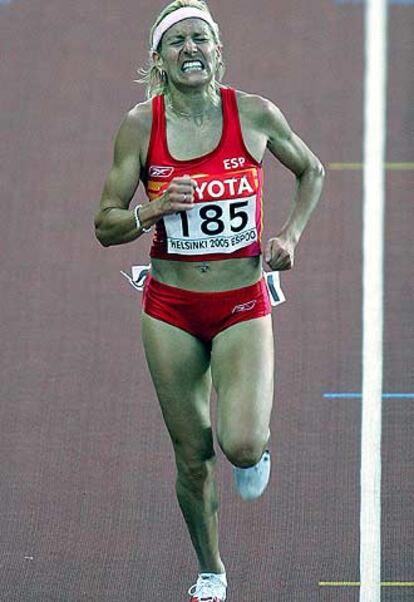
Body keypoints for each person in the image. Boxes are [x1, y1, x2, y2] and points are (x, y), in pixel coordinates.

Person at [94, 1, 325, 600]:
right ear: (159, 61)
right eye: (177, 43)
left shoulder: (252, 114)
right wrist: (154, 208)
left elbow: (313, 170)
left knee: (241, 443)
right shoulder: (140, 127)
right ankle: (211, 571)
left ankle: (255, 453)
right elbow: (105, 224)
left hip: (242, 300)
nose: (190, 49)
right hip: (170, 307)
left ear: (218, 51)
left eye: (201, 39)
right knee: (192, 454)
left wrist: (290, 236)